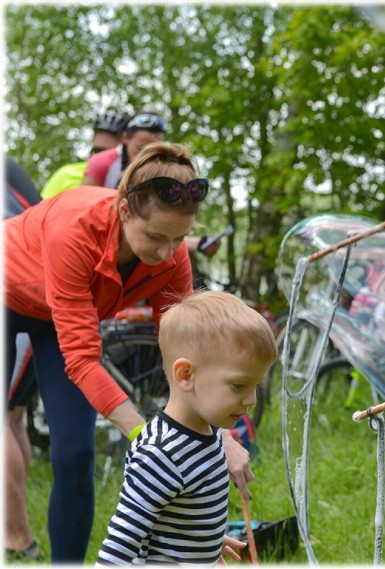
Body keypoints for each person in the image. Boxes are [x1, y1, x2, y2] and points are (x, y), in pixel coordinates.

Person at [4, 142, 253, 562]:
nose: (165, 254)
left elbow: (186, 349)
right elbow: (84, 360)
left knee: (77, 454)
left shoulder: (171, 258)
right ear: (123, 211)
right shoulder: (75, 229)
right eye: (155, 236)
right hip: (9, 296)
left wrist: (220, 433)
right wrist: (149, 438)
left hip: (54, 318)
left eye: (178, 239)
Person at [96, 291, 277, 565]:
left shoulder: (209, 429)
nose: (251, 400)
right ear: (186, 375)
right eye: (240, 385)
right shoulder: (161, 455)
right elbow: (121, 543)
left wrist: (206, 543)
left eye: (256, 386)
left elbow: (181, 516)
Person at [82, 111, 219, 257]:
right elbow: (84, 215)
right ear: (125, 138)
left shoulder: (163, 172)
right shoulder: (101, 163)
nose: (149, 155)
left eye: (155, 147)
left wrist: (197, 242)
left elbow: (161, 232)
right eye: (141, 148)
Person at [3, 157, 44, 562]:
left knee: (6, 420)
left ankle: (17, 538)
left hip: (19, 301)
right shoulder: (9, 167)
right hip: (33, 312)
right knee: (12, 418)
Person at [41, 111, 128, 199]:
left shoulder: (130, 183)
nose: (100, 159)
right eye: (97, 151)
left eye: (108, 155)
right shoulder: (66, 174)